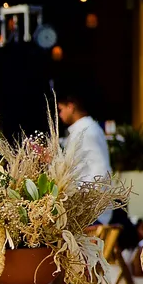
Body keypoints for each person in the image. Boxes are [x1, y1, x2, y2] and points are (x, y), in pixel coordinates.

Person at [56, 91, 112, 224]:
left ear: (71, 106)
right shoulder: (82, 130)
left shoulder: (87, 131)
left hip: (90, 210)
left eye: (61, 109)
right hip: (83, 207)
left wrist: (85, 201)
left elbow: (100, 170)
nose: (60, 114)